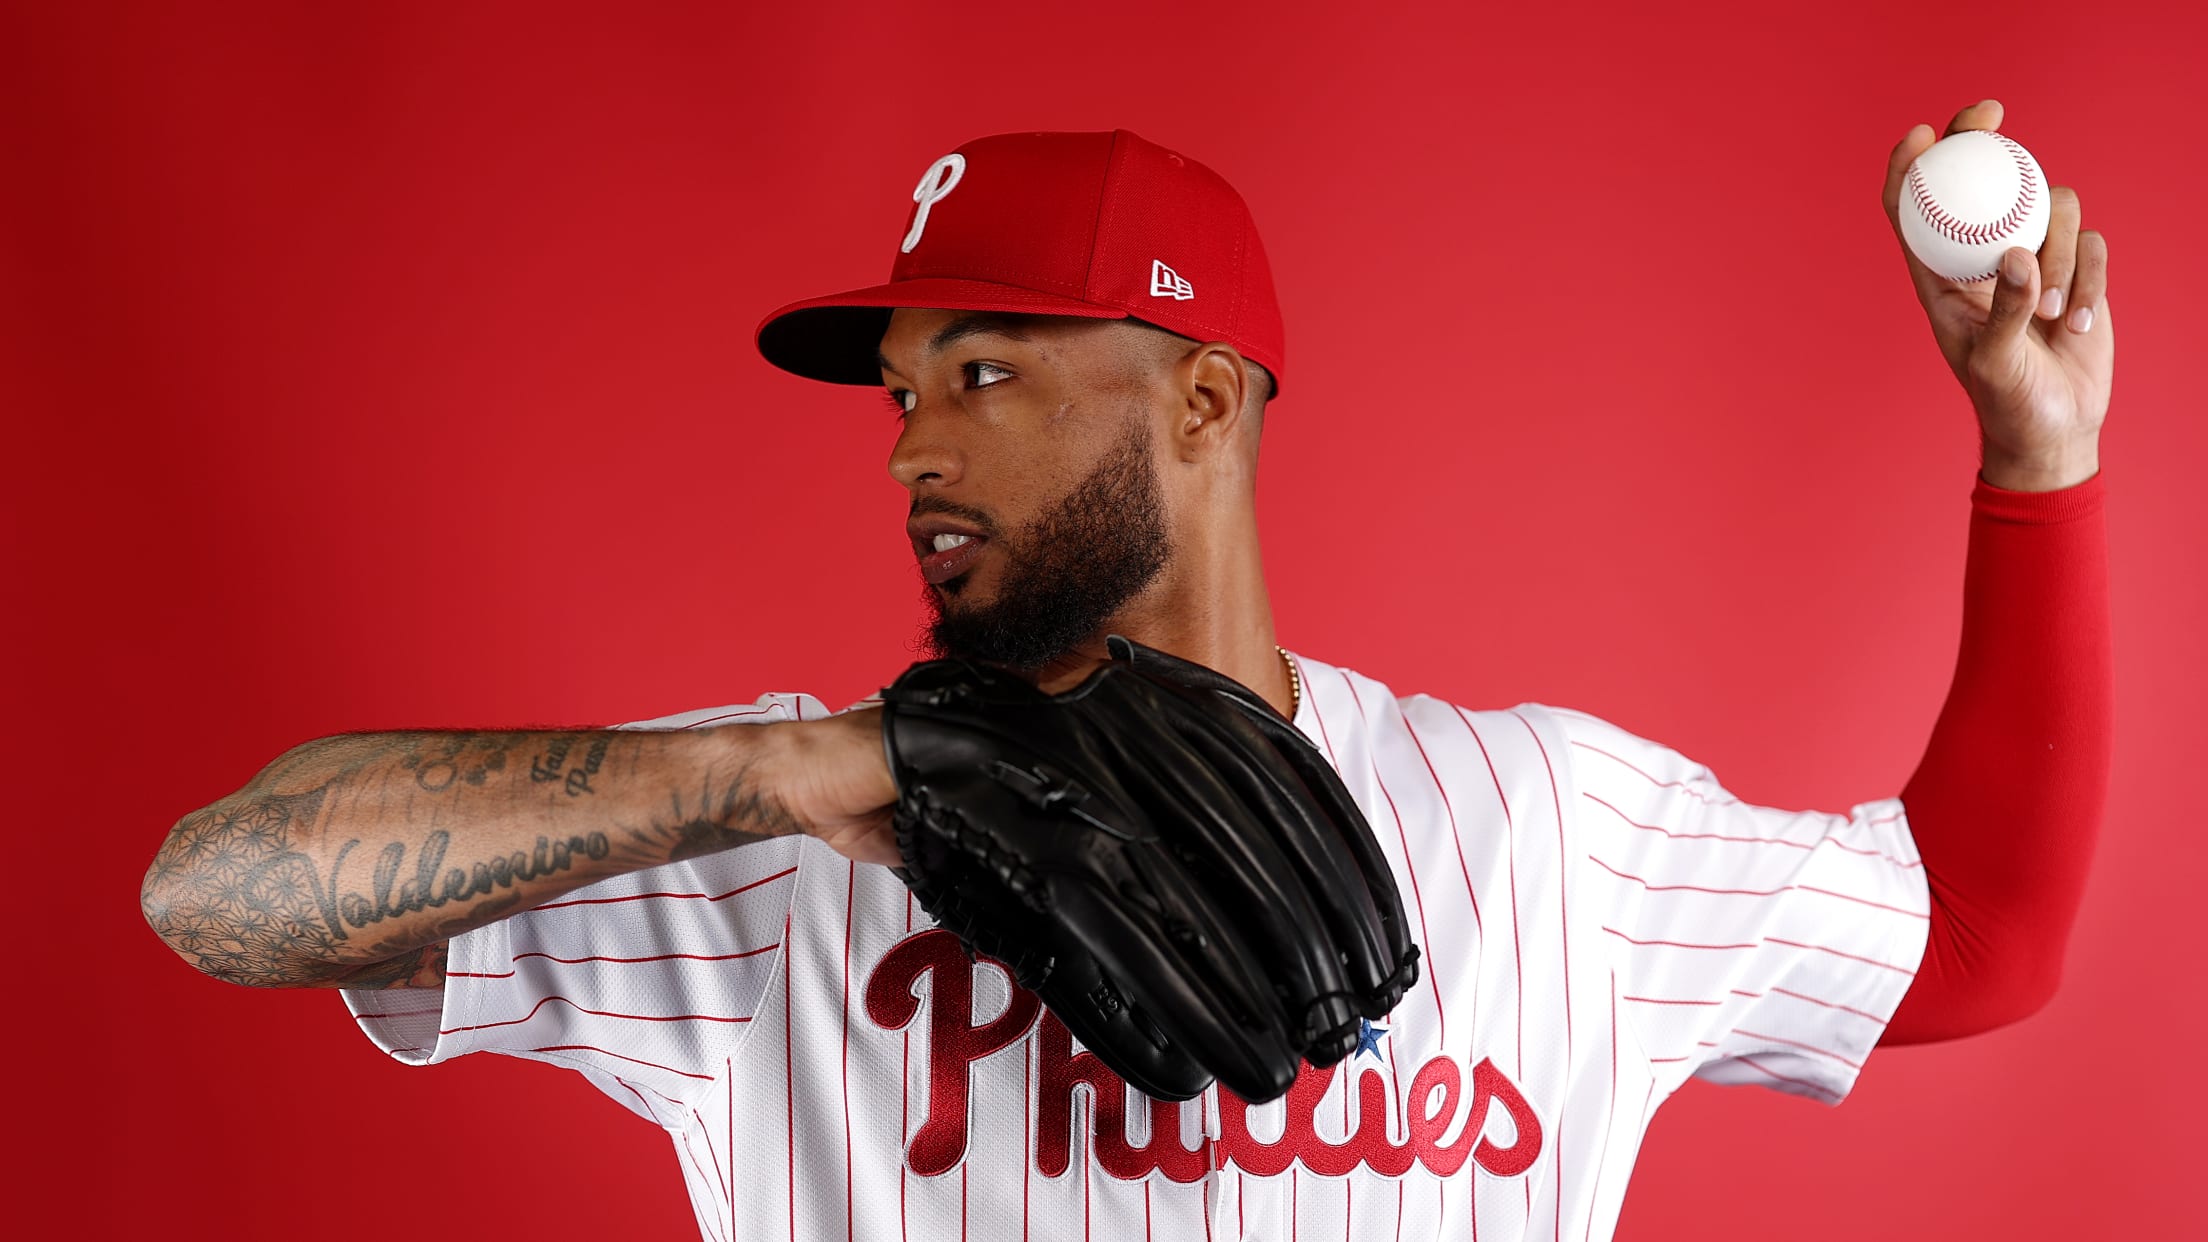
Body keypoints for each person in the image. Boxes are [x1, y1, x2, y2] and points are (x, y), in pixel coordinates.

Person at [141, 102, 2112, 1241]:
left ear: (1202, 400)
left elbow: (1982, 940)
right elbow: (218, 890)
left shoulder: (1544, 825)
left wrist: (2039, 456)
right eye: (901, 394)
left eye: (987, 372)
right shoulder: (779, 832)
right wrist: (792, 775)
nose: (913, 450)